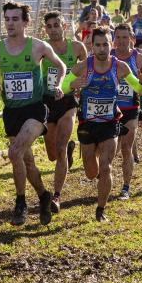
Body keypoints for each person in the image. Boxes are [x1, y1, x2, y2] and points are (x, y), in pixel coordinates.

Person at [0, 2, 68, 226]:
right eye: (7, 19)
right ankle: (43, 195)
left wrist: (58, 84)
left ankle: (20, 203)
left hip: (34, 110)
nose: (10, 24)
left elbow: (61, 66)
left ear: (25, 22)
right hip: (12, 111)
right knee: (26, 160)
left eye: (15, 19)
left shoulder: (37, 47)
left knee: (14, 152)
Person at [62, 27, 142, 221]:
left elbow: (138, 89)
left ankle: (101, 209)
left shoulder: (120, 67)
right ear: (92, 46)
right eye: (97, 45)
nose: (101, 49)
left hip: (110, 123)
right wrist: (72, 85)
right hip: (88, 123)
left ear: (112, 45)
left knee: (106, 167)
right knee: (92, 172)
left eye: (105, 45)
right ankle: (96, 175)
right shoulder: (84, 66)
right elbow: (63, 86)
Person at [42, 12, 87, 213]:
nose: (53, 29)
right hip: (47, 102)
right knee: (52, 154)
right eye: (49, 26)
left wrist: (79, 84)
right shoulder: (41, 47)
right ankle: (68, 149)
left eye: (56, 25)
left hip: (68, 102)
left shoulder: (77, 47)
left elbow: (88, 71)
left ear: (65, 26)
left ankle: (57, 196)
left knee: (58, 149)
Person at [112, 24, 142, 201]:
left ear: (131, 38)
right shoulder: (108, 56)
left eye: (124, 37)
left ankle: (126, 187)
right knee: (111, 150)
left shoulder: (140, 58)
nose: (121, 41)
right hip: (109, 110)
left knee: (126, 147)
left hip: (130, 109)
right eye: (118, 37)